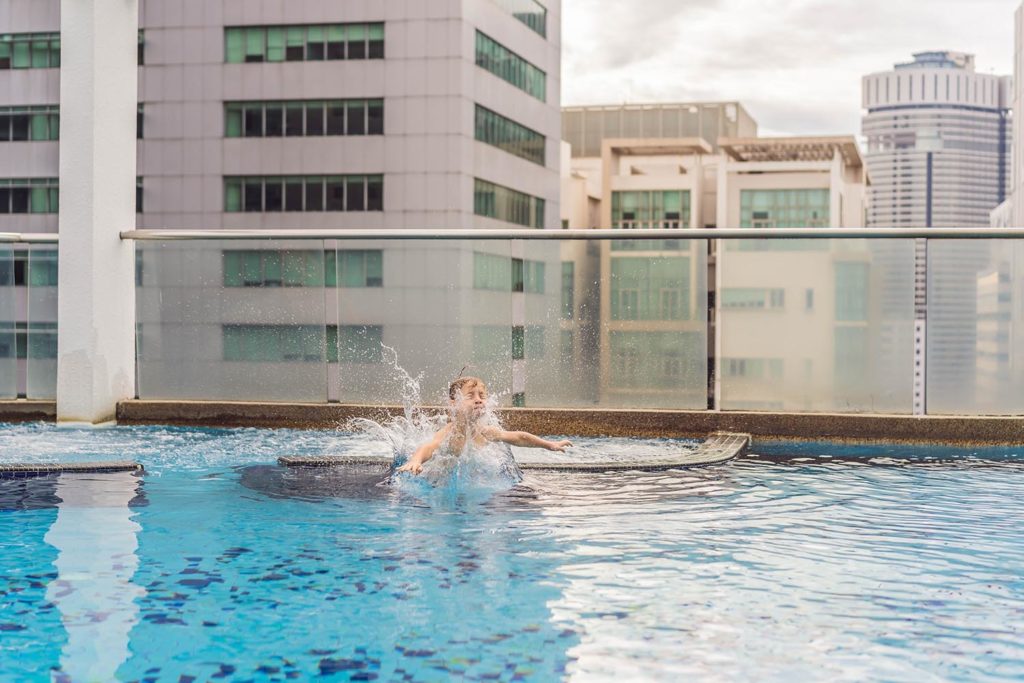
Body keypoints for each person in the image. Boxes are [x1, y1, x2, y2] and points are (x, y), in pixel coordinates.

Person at [396, 376, 572, 475]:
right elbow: (428, 447)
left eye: (482, 395)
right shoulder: (450, 432)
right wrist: (415, 461)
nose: (478, 400)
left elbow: (518, 437)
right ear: (454, 402)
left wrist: (549, 445)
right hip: (440, 477)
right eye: (470, 396)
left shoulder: (485, 431)